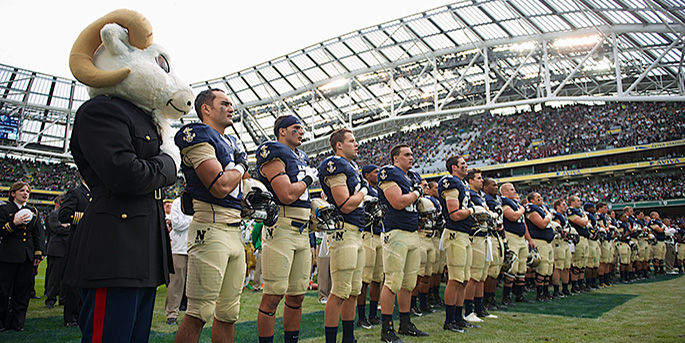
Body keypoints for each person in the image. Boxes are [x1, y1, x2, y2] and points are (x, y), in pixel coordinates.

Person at [174, 88, 248, 343]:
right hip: (211, 228)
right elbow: (220, 185)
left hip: (234, 230)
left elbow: (236, 187)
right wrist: (241, 165)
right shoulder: (197, 135)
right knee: (199, 312)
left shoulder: (231, 143)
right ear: (206, 109)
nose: (231, 108)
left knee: (229, 312)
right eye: (224, 103)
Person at [256, 114, 317, 343]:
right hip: (281, 227)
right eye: (295, 128)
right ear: (282, 131)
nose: (301, 132)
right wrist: (309, 180)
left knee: (297, 296)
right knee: (273, 295)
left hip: (303, 232)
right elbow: (287, 194)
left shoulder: (301, 156)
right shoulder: (272, 151)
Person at [318, 128, 367, 343]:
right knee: (339, 291)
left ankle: (349, 338)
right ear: (339, 145)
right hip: (343, 231)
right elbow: (346, 205)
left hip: (356, 232)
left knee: (353, 290)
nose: (356, 144)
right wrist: (364, 192)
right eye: (351, 141)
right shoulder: (334, 164)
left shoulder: (352, 167)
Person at [377, 144, 429, 342]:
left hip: (412, 232)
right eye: (406, 155)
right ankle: (387, 328)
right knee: (392, 281)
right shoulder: (388, 173)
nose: (411, 158)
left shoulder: (413, 176)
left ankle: (405, 323)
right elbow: (397, 202)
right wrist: (416, 194)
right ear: (395, 158)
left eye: (412, 154)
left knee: (409, 283)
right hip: (395, 232)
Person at [438, 155, 477, 333]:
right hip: (454, 234)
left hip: (464, 234)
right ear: (454, 167)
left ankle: (458, 317)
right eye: (462, 164)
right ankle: (449, 320)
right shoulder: (450, 182)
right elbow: (454, 213)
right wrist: (472, 210)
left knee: (464, 279)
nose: (466, 167)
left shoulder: (462, 184)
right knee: (454, 279)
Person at [0, 181, 44, 332]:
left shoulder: (33, 211)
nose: (25, 193)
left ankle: (18, 322)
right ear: (13, 193)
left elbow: (37, 234)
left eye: (27, 191)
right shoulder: (4, 209)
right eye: (21, 191)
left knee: (23, 291)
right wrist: (14, 223)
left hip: (26, 256)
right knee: (3, 290)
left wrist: (38, 253)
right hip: (8, 255)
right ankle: (2, 321)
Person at [464, 169, 497, 321]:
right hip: (475, 236)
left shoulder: (480, 196)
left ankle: (479, 308)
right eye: (478, 178)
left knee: (482, 274)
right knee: (474, 275)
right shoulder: (469, 195)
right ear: (470, 181)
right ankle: (469, 310)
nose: (481, 180)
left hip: (485, 235)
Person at [58, 179, 92, 328]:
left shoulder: (97, 193)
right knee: (74, 281)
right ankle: (70, 316)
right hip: (78, 241)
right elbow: (64, 215)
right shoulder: (75, 193)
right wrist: (87, 218)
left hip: (92, 241)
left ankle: (81, 313)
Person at [357, 164, 383, 328]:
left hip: (379, 234)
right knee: (364, 279)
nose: (378, 174)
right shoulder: (363, 190)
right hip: (367, 235)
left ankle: (373, 314)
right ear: (366, 175)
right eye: (375, 172)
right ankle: (361, 316)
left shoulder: (379, 190)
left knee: (377, 278)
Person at [500, 183, 533, 304]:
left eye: (514, 189)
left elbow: (523, 224)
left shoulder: (517, 204)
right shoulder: (504, 202)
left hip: (520, 238)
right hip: (511, 236)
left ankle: (520, 294)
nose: (514, 191)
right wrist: (522, 210)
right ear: (504, 192)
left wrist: (529, 239)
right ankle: (506, 296)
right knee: (511, 267)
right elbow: (513, 216)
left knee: (522, 267)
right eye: (511, 189)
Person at [165, 197, 192, 325]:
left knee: (195, 284)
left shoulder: (200, 200)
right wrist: (194, 220)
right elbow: (177, 224)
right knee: (176, 282)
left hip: (196, 247)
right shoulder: (177, 202)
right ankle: (172, 313)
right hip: (180, 248)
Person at [524, 193, 554, 302]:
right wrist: (548, 217)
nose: (540, 198)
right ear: (531, 200)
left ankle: (546, 291)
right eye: (537, 197)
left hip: (547, 241)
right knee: (542, 268)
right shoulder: (531, 209)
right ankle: (540, 293)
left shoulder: (542, 208)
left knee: (548, 268)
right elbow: (541, 224)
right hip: (539, 241)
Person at [482, 177, 505, 311]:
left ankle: (491, 297)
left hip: (497, 235)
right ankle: (486, 299)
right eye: (493, 185)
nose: (496, 187)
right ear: (485, 187)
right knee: (490, 270)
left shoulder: (497, 199)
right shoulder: (485, 199)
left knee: (496, 268)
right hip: (489, 235)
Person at [44, 194, 67, 310]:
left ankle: (62, 299)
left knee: (65, 277)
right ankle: (50, 299)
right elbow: (57, 229)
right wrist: (69, 228)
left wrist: (66, 227)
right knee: (54, 277)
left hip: (66, 248)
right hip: (57, 250)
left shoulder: (67, 215)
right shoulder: (54, 215)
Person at [567, 196, 590, 292]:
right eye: (578, 201)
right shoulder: (571, 211)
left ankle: (581, 283)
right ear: (572, 202)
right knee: (577, 262)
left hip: (584, 238)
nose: (580, 202)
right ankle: (574, 284)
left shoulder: (579, 212)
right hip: (578, 238)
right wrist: (586, 218)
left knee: (583, 262)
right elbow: (582, 223)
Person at [551, 199, 572, 297]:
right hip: (558, 241)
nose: (565, 206)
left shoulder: (564, 216)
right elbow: (557, 230)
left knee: (567, 267)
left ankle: (565, 288)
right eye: (563, 204)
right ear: (557, 206)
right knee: (558, 267)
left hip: (566, 242)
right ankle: (556, 289)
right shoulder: (556, 216)